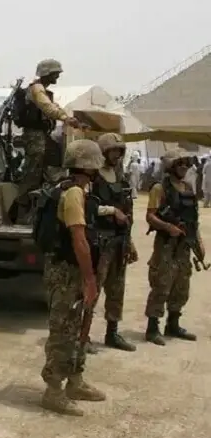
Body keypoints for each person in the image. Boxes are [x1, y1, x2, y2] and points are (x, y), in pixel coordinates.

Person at [40, 138, 106, 417]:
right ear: (89, 166)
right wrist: (90, 280)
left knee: (79, 328)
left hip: (70, 270)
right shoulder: (73, 194)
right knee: (63, 331)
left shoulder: (71, 189)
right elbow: (79, 240)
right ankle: (53, 391)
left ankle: (75, 381)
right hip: (67, 272)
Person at [144, 148, 202, 345]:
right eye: (180, 163)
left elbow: (193, 221)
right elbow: (150, 215)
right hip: (166, 245)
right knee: (161, 284)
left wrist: (199, 244)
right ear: (171, 166)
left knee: (181, 285)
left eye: (187, 163)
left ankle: (173, 324)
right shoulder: (160, 188)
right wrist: (168, 227)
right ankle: (153, 328)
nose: (184, 167)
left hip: (184, 245)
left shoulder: (188, 188)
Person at [13, 59, 81, 224]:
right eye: (55, 74)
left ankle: (37, 209)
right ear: (47, 73)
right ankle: (22, 210)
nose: (57, 77)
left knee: (48, 169)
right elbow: (47, 107)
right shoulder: (37, 89)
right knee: (33, 171)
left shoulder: (42, 89)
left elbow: (54, 107)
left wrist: (70, 119)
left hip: (42, 134)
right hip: (34, 135)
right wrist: (65, 118)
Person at [91, 133, 138, 352]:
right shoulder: (93, 176)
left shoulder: (120, 177)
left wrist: (130, 242)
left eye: (120, 151)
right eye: (113, 151)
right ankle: (83, 335)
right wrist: (111, 211)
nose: (117, 155)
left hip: (119, 241)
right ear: (103, 152)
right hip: (100, 241)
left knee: (116, 290)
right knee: (92, 290)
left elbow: (127, 212)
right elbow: (87, 207)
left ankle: (112, 333)